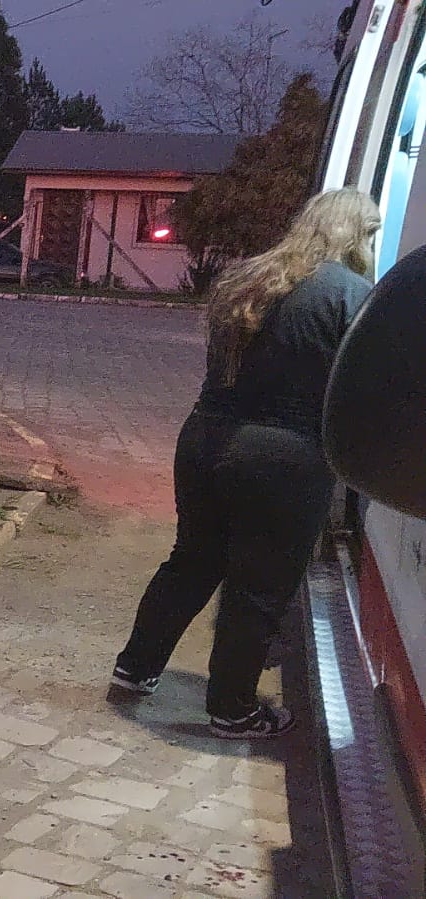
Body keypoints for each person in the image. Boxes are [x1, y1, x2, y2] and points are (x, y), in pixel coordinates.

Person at [110, 188, 381, 739]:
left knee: (191, 561)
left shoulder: (247, 278)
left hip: (205, 440)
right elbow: (366, 388)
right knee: (257, 587)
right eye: (371, 233)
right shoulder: (353, 294)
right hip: (284, 456)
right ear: (356, 234)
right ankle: (233, 709)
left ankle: (135, 668)